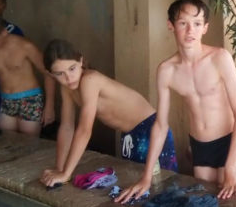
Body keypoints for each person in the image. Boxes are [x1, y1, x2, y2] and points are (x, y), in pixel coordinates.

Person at [115, 0, 236, 203]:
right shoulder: (166, 70)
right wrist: (146, 177)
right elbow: (161, 125)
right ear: (171, 25)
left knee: (231, 205)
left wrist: (230, 167)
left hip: (227, 143)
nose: (190, 31)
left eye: (197, 24)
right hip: (200, 146)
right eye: (183, 23)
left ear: (205, 28)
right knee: (205, 206)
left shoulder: (220, 58)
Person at [38, 39, 178, 187]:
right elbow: (67, 127)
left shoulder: (90, 80)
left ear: (80, 61)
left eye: (72, 69)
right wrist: (60, 169)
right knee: (135, 186)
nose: (68, 77)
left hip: (151, 130)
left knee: (162, 186)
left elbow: (84, 130)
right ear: (50, 74)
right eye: (60, 74)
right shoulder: (67, 89)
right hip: (129, 136)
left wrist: (66, 174)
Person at [0, 12, 55, 136]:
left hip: (31, 100)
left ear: (4, 32)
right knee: (5, 141)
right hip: (6, 101)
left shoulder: (25, 46)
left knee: (28, 143)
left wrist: (50, 106)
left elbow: (48, 73)